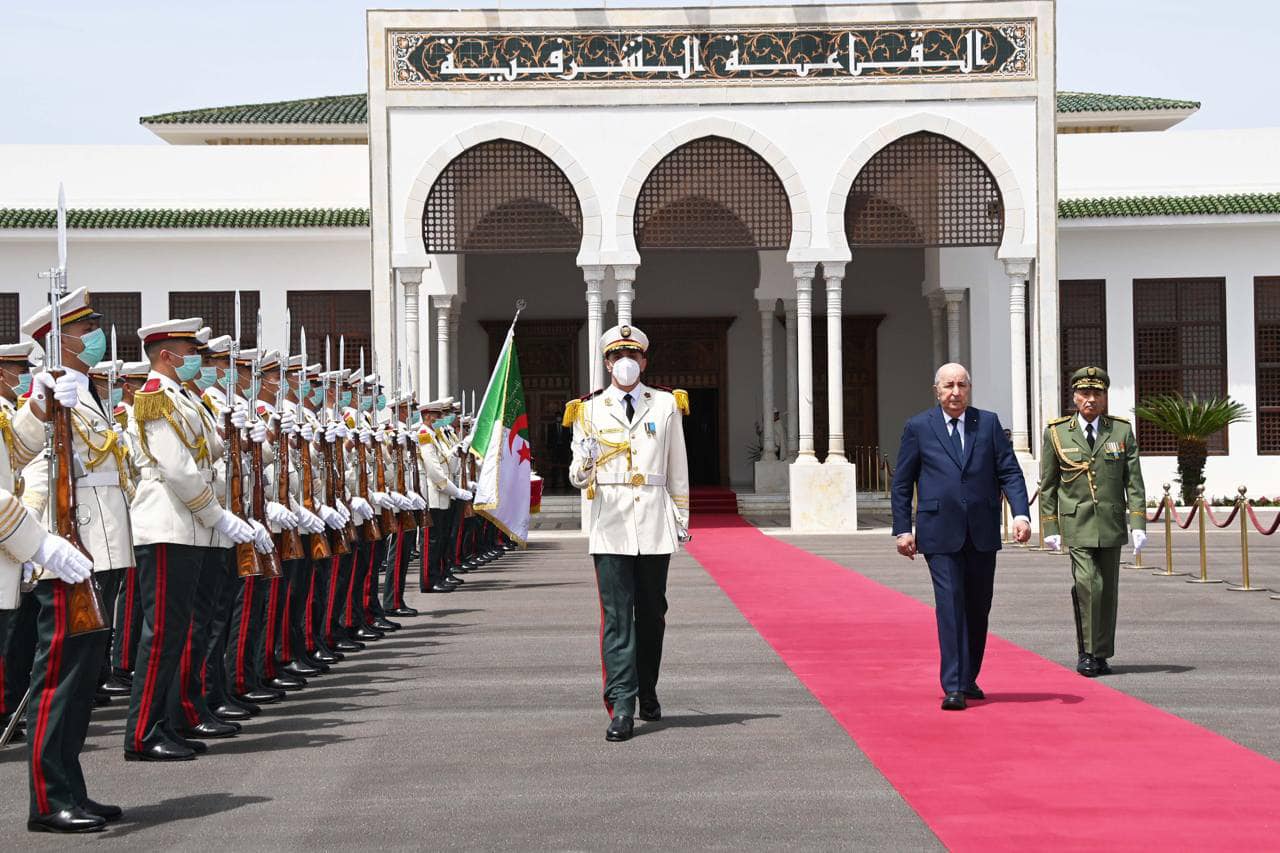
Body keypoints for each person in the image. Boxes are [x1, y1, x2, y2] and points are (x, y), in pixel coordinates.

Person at [14, 288, 130, 831]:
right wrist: (42, 546)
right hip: (64, 555)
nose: (97, 337)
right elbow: (34, 476)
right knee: (58, 681)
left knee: (83, 682)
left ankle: (72, 790)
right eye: (86, 330)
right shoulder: (45, 399)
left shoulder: (81, 392)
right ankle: (46, 800)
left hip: (95, 552)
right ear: (57, 339)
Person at [566, 324, 690, 742]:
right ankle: (621, 703)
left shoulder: (666, 405)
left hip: (654, 522)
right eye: (617, 356)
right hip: (612, 525)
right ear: (605, 363)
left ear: (644, 361)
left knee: (653, 614)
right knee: (618, 618)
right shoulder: (588, 410)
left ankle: (648, 689)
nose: (625, 363)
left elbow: (678, 468)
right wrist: (583, 462)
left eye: (633, 356)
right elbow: (578, 478)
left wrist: (682, 516)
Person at [890, 363, 1030, 711]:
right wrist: (903, 529)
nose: (956, 392)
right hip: (939, 532)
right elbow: (903, 483)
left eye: (962, 385)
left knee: (978, 607)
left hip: (982, 530)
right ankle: (952, 684)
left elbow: (1008, 470)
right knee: (950, 605)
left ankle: (969, 678)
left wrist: (1021, 514)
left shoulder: (988, 424)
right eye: (949, 385)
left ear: (970, 388)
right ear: (936, 390)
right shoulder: (920, 426)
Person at [1038, 366, 1147, 677]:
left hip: (1110, 522)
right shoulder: (1057, 432)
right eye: (1084, 393)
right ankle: (1086, 652)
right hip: (1078, 523)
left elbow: (1134, 482)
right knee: (1089, 584)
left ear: (1105, 397)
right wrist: (1050, 526)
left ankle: (1101, 654)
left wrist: (1138, 523)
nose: (1090, 399)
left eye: (1097, 393)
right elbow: (1049, 484)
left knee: (1108, 590)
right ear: (1074, 396)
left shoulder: (1121, 431)